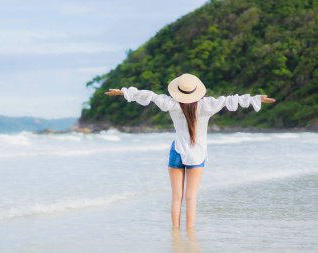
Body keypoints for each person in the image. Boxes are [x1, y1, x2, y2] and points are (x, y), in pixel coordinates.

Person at [104, 73, 276, 229]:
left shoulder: (171, 104)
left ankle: (175, 233)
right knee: (191, 198)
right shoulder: (207, 105)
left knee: (176, 197)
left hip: (177, 151)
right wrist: (256, 99)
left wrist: (122, 92)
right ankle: (190, 234)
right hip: (197, 154)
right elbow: (231, 100)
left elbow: (149, 95)